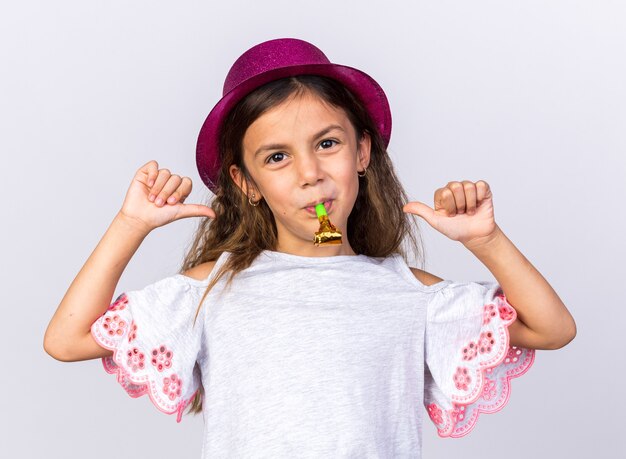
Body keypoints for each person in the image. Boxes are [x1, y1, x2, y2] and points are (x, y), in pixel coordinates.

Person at [44, 38, 576, 457]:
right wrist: (129, 224)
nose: (310, 174)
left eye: (327, 143)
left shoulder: (409, 294)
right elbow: (66, 339)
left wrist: (486, 240)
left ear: (362, 151)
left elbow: (552, 328)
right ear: (246, 181)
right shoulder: (212, 290)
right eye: (277, 157)